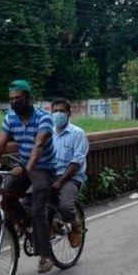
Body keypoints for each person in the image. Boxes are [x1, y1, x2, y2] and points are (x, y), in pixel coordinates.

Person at [0, 80, 57, 273]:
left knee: (38, 209)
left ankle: (45, 256)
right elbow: (0, 146)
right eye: (11, 99)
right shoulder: (10, 118)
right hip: (23, 164)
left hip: (43, 167)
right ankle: (26, 222)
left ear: (28, 98)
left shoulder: (44, 118)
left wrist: (26, 169)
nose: (14, 102)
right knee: (5, 193)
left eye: (18, 98)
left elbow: (38, 146)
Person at [49, 98, 88, 248]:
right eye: (55, 111)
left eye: (62, 111)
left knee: (65, 206)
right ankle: (51, 227)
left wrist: (60, 182)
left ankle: (75, 224)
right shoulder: (47, 134)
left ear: (69, 113)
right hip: (51, 175)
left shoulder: (77, 134)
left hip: (71, 177)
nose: (58, 114)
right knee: (31, 201)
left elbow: (76, 163)